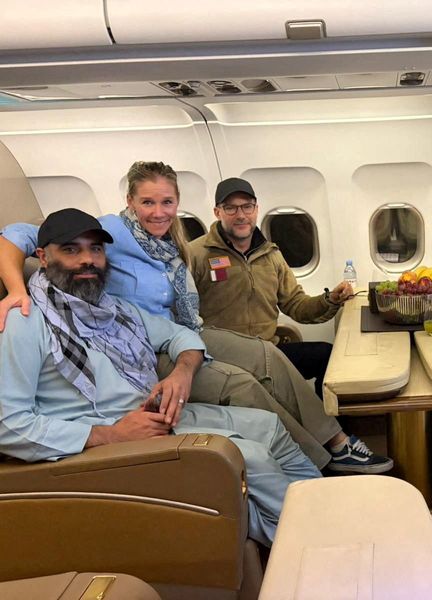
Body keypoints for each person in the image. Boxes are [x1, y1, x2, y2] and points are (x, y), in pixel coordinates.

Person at [0, 161, 392, 474]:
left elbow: (279, 305)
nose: (159, 211)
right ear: (130, 202)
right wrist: (16, 287)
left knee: (268, 354)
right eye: (148, 202)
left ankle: (336, 443)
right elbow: (18, 233)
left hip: (173, 331)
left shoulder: (173, 244)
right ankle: (319, 463)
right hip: (140, 348)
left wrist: (329, 300)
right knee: (241, 383)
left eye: (167, 202)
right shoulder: (109, 232)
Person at [0, 209, 321, 544]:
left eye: (95, 249)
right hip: (105, 444)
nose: (87, 260)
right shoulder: (24, 322)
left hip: (154, 415)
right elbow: (8, 425)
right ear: (42, 257)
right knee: (251, 457)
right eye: (71, 250)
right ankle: (309, 544)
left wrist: (181, 374)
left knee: (269, 425)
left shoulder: (113, 310)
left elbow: (181, 337)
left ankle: (324, 506)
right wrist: (108, 435)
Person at [188, 177, 351, 399]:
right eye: (231, 208)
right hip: (222, 359)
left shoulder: (271, 255)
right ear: (217, 212)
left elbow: (296, 305)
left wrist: (330, 299)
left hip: (267, 353)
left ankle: (338, 428)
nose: (241, 215)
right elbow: (183, 316)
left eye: (247, 206)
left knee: (326, 356)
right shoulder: (195, 255)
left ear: (256, 209)